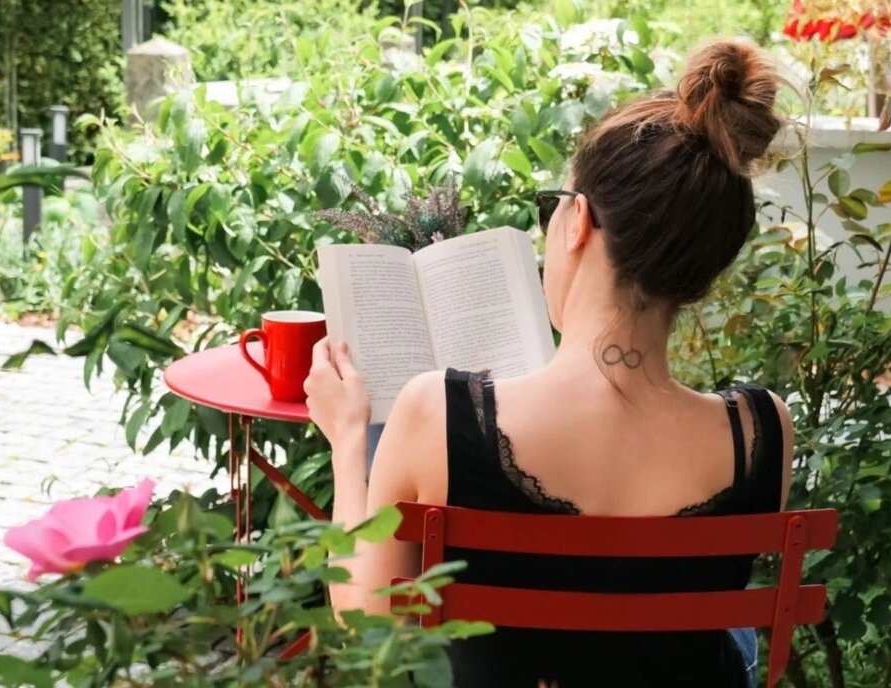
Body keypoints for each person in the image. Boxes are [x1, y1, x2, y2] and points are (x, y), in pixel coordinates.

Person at [303, 39, 795, 688]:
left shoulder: (437, 413)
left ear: (577, 223)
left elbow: (366, 617)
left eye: (551, 207)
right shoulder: (762, 432)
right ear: (702, 270)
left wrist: (346, 439)